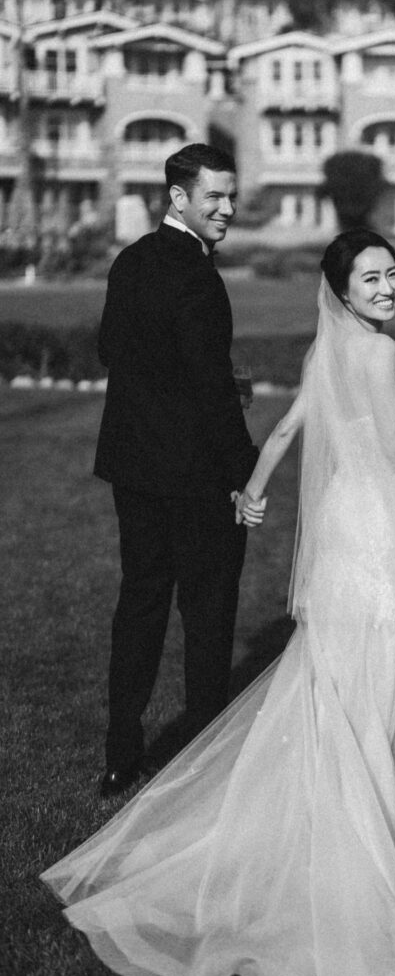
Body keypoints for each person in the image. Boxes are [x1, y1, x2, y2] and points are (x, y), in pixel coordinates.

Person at [42, 230, 395, 976]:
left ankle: (361, 798)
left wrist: (255, 487)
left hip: (341, 528)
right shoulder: (376, 350)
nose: (385, 284)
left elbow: (297, 421)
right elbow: (389, 444)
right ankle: (383, 817)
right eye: (370, 276)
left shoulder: (332, 345)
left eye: (392, 273)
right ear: (341, 286)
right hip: (376, 526)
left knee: (343, 667)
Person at [92, 143, 261, 798]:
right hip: (193, 473)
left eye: (231, 195)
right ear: (180, 197)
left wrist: (185, 382)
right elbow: (210, 390)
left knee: (140, 603)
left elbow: (113, 348)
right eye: (214, 195)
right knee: (208, 614)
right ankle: (203, 763)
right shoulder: (198, 276)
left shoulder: (130, 261)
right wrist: (247, 470)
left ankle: (119, 757)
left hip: (134, 465)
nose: (227, 207)